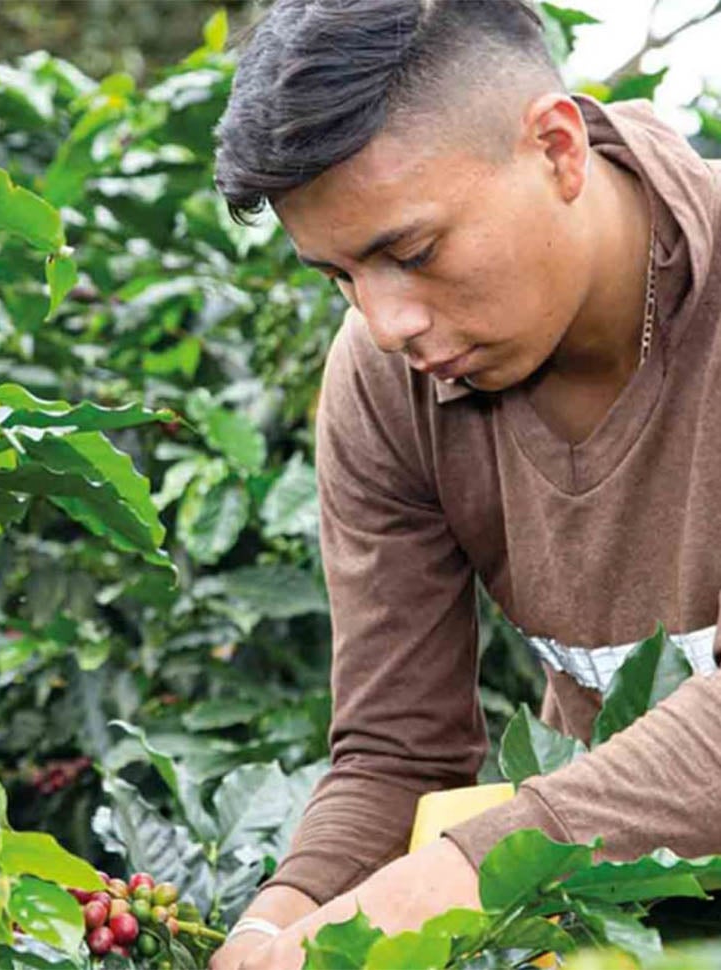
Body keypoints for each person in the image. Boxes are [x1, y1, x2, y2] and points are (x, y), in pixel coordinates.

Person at [207, 0, 721, 967]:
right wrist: (273, 925)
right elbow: (400, 752)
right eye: (340, 277)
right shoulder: (384, 380)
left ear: (558, 149)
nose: (387, 320)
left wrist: (460, 871)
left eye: (413, 253)